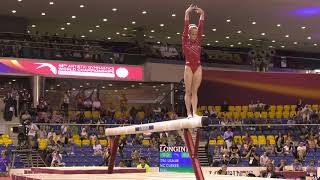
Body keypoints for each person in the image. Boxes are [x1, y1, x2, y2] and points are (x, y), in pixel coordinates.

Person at [182, 4, 205, 118]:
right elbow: (186, 27)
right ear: (189, 35)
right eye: (192, 34)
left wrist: (202, 14)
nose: (195, 35)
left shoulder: (198, 40)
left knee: (195, 91)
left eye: (196, 34)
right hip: (188, 66)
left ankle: (194, 112)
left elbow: (201, 27)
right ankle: (188, 112)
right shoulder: (185, 41)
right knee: (188, 91)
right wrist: (187, 13)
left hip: (198, 67)